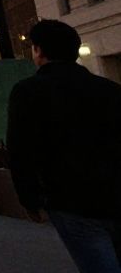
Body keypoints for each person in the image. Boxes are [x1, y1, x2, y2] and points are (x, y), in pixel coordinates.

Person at [8, 19, 121, 272]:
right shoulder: (110, 90)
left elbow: (20, 150)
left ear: (38, 51)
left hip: (71, 199)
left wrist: (29, 198)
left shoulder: (28, 91)